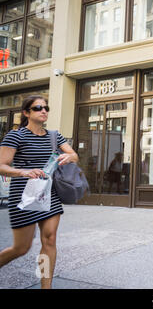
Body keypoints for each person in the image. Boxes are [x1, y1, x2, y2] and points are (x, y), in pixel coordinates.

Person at [0, 95, 79, 289]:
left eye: (46, 107)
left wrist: (68, 158)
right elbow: (1, 165)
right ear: (26, 113)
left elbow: (74, 155)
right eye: (37, 108)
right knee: (21, 248)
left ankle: (46, 286)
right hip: (24, 196)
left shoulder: (54, 135)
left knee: (49, 239)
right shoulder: (15, 135)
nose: (43, 111)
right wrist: (23, 172)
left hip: (49, 193)